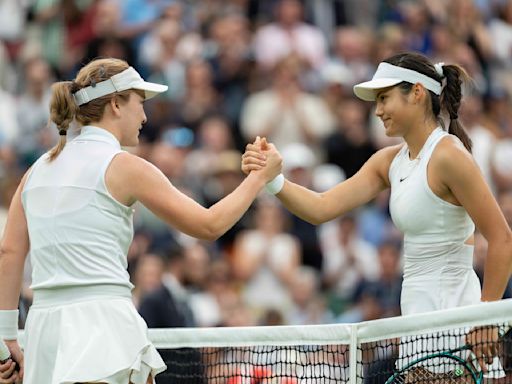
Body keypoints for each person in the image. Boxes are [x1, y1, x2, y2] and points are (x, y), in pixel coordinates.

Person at [0, 57, 281, 384]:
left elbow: (8, 254)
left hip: (44, 334)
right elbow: (208, 225)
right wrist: (258, 179)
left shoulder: (34, 172)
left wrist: (7, 337)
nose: (145, 115)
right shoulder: (126, 166)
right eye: (140, 102)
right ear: (116, 104)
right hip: (104, 328)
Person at [243, 52, 512, 373]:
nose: (378, 110)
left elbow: (502, 239)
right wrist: (272, 179)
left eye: (384, 98)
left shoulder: (449, 155)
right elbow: (321, 208)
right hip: (416, 321)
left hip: (457, 320)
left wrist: (486, 319)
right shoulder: (388, 161)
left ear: (416, 93)